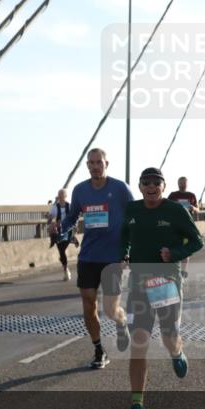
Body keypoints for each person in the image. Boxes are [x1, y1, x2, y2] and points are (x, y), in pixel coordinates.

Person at [121, 167, 204, 409]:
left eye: (156, 182)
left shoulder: (175, 211)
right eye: (146, 182)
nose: (151, 186)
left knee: (169, 338)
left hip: (166, 283)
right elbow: (123, 236)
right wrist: (123, 253)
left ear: (164, 186)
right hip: (138, 284)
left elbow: (197, 241)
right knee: (139, 342)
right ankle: (137, 407)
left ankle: (177, 351)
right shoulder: (131, 210)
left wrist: (175, 252)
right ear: (140, 186)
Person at [55, 148, 132, 366]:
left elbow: (134, 214)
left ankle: (121, 320)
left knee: (110, 308)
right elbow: (72, 217)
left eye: (99, 162)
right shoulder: (80, 190)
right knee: (88, 305)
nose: (95, 166)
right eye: (91, 163)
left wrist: (129, 250)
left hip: (113, 257)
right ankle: (99, 350)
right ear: (87, 165)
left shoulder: (120, 189)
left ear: (107, 163)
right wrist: (61, 229)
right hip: (88, 255)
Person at [167, 176, 199, 278]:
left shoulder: (191, 195)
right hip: (175, 226)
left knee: (186, 248)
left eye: (184, 183)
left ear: (187, 184)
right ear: (178, 184)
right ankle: (175, 269)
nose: (182, 184)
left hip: (187, 226)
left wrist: (193, 208)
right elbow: (166, 206)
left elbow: (198, 209)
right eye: (181, 183)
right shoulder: (173, 195)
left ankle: (184, 271)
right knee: (175, 247)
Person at [48, 188, 77, 281]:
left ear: (65, 196)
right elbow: (50, 217)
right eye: (59, 196)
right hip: (58, 231)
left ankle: (72, 239)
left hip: (68, 231)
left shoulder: (70, 206)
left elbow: (75, 217)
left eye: (62, 196)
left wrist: (75, 226)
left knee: (62, 249)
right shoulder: (55, 207)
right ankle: (65, 270)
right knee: (61, 251)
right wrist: (49, 219)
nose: (60, 197)